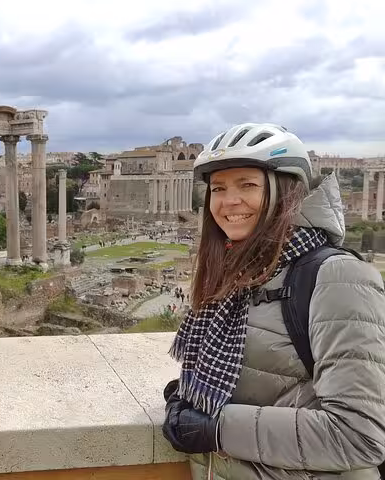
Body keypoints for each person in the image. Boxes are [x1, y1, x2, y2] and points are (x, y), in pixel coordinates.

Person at [162, 123, 385, 479]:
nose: (228, 201)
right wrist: (190, 395)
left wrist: (215, 427)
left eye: (247, 184)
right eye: (218, 188)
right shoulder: (239, 275)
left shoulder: (339, 277)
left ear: (287, 191)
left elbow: (359, 435)